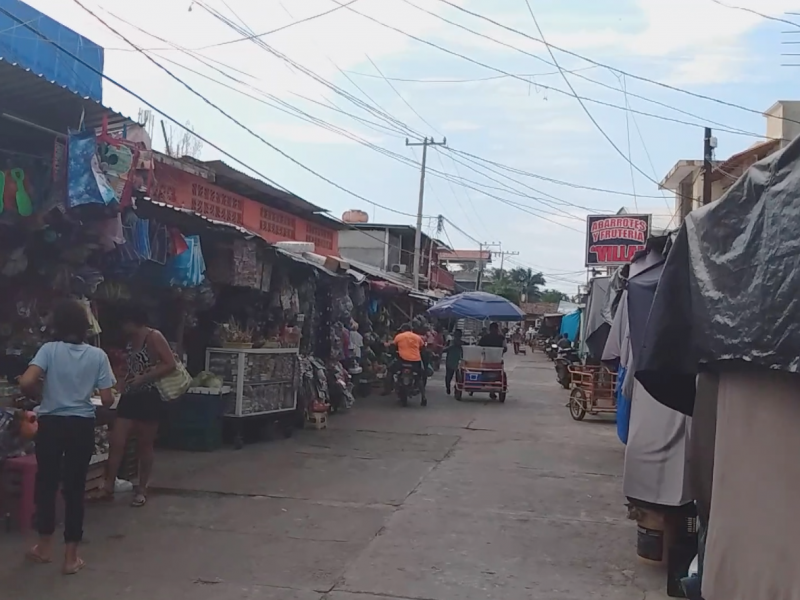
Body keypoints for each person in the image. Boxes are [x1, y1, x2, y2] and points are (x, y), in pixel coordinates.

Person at [18, 299, 116, 574]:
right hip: (81, 424)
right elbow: (108, 399)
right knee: (75, 489)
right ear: (85, 327)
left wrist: (39, 394)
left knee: (47, 484)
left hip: (51, 423)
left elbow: (26, 381)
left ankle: (44, 547)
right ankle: (71, 558)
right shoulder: (98, 356)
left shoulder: (49, 350)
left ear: (56, 325)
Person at [103, 305, 176, 507]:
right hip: (130, 395)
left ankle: (142, 488)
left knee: (145, 444)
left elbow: (170, 364)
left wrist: (143, 378)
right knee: (117, 440)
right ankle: (109, 484)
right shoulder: (129, 341)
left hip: (149, 396)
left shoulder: (153, 336)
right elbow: (128, 366)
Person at [387, 323, 428, 405]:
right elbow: (423, 347)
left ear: (403, 330)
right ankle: (423, 397)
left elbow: (393, 346)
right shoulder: (417, 337)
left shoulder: (399, 336)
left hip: (402, 360)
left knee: (390, 371)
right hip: (415, 361)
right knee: (419, 378)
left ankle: (388, 388)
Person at [443, 329, 464, 395]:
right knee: (448, 377)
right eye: (456, 335)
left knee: (459, 378)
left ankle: (457, 390)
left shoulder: (463, 344)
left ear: (461, 336)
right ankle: (448, 387)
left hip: (459, 362)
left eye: (458, 335)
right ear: (454, 335)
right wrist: (450, 347)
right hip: (450, 361)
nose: (457, 337)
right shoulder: (450, 342)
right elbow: (443, 349)